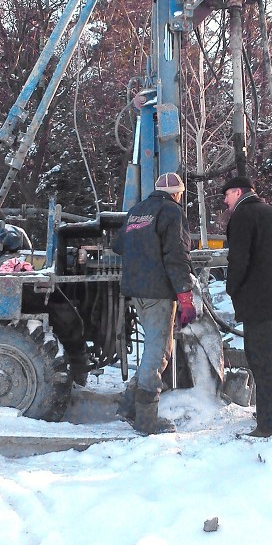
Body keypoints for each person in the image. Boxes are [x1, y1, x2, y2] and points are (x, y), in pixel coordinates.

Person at [113, 172, 198, 435]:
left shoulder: (137, 211)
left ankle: (128, 406)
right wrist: (185, 296)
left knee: (152, 349)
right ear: (176, 193)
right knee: (159, 353)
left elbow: (118, 245)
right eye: (180, 194)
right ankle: (147, 420)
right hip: (158, 292)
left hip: (136, 291)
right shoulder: (171, 212)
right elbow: (177, 256)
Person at [222, 175, 272, 437]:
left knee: (259, 360)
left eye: (228, 194)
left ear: (239, 192)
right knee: (265, 359)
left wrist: (231, 288)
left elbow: (238, 259)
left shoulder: (243, 217)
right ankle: (268, 416)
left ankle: (269, 424)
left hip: (255, 298)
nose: (225, 200)